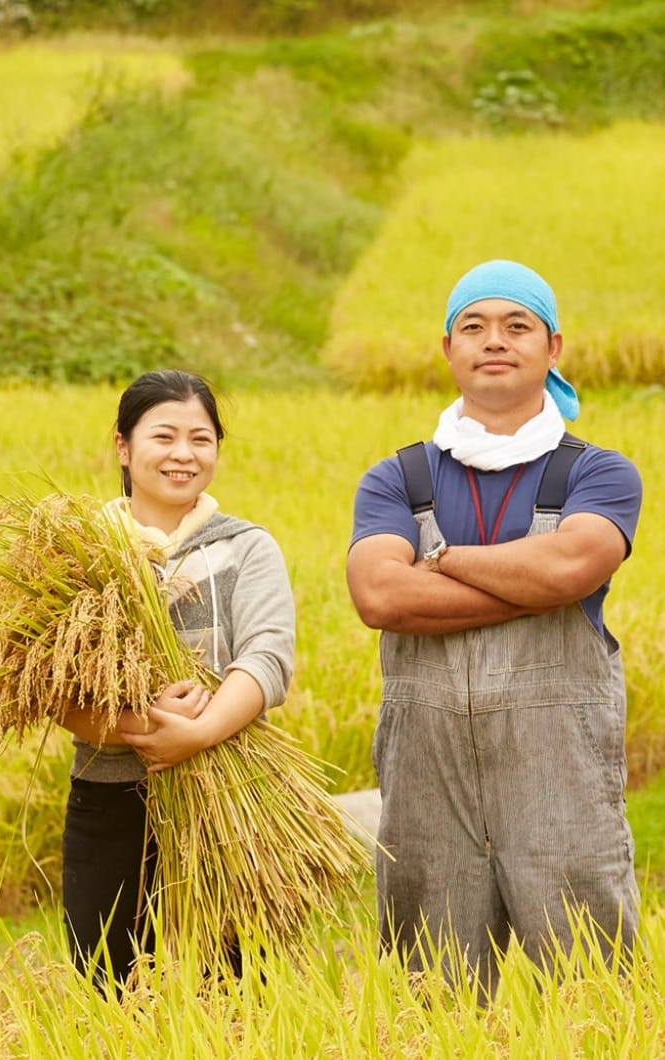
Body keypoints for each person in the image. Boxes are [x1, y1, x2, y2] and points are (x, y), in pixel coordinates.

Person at [346, 259, 641, 995]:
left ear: (554, 346)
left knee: (588, 988)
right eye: (473, 326)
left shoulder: (598, 473)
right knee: (430, 995)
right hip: (426, 781)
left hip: (559, 779)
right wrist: (530, 582)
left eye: (517, 325)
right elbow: (380, 594)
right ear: (448, 349)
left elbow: (572, 569)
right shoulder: (397, 477)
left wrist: (441, 561)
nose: (494, 341)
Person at [59, 369, 296, 987]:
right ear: (122, 446)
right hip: (109, 800)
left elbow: (267, 660)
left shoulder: (247, 547)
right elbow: (56, 694)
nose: (183, 454)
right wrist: (144, 726)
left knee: (232, 1000)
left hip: (232, 804)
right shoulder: (78, 554)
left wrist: (200, 731)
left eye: (201, 439)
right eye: (164, 436)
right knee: (110, 997)